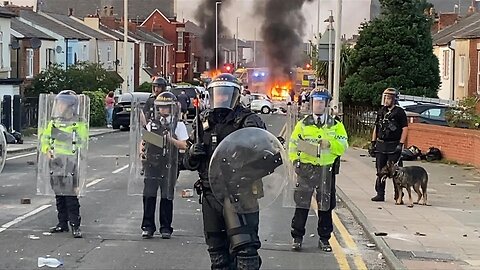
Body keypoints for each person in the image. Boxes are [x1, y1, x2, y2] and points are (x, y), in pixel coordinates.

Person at [183, 73, 267, 269]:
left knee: (246, 254)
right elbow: (186, 162)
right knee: (217, 255)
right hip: (211, 195)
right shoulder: (202, 122)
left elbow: (268, 157)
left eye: (226, 93)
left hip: (241, 194)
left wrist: (245, 160)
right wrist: (192, 154)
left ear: (236, 95)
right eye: (218, 93)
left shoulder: (249, 122)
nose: (221, 98)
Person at [288, 88, 348, 251]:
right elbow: (293, 144)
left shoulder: (336, 125)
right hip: (306, 170)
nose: (318, 105)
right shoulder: (303, 124)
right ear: (311, 103)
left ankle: (324, 239)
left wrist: (331, 144)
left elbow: (343, 146)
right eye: (316, 101)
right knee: (301, 205)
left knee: (325, 206)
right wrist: (295, 162)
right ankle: (297, 237)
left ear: (326, 104)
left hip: (325, 170)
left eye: (322, 102)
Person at [39, 90, 89, 238]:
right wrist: (47, 150)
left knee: (70, 195)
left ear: (70, 106)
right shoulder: (54, 121)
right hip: (55, 161)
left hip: (70, 162)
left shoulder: (78, 123)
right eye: (58, 104)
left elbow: (82, 141)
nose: (59, 107)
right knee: (59, 194)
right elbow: (45, 138)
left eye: (61, 104)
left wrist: (63, 136)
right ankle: (62, 223)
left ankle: (75, 225)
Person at [140, 92, 189, 239]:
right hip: (152, 163)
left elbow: (185, 145)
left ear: (172, 108)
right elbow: (144, 140)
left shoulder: (178, 125)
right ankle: (147, 227)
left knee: (167, 196)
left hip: (169, 164)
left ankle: (166, 227)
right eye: (160, 107)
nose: (163, 110)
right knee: (149, 195)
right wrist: (141, 153)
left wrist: (171, 140)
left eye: (166, 107)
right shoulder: (152, 123)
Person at [369, 88, 408, 202]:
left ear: (394, 99)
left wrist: (401, 144)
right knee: (380, 171)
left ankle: (398, 195)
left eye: (389, 98)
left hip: (393, 145)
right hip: (381, 145)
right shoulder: (381, 111)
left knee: (396, 172)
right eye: (385, 97)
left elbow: (405, 129)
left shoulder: (399, 112)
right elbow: (376, 127)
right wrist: (373, 142)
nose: (386, 100)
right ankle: (380, 194)